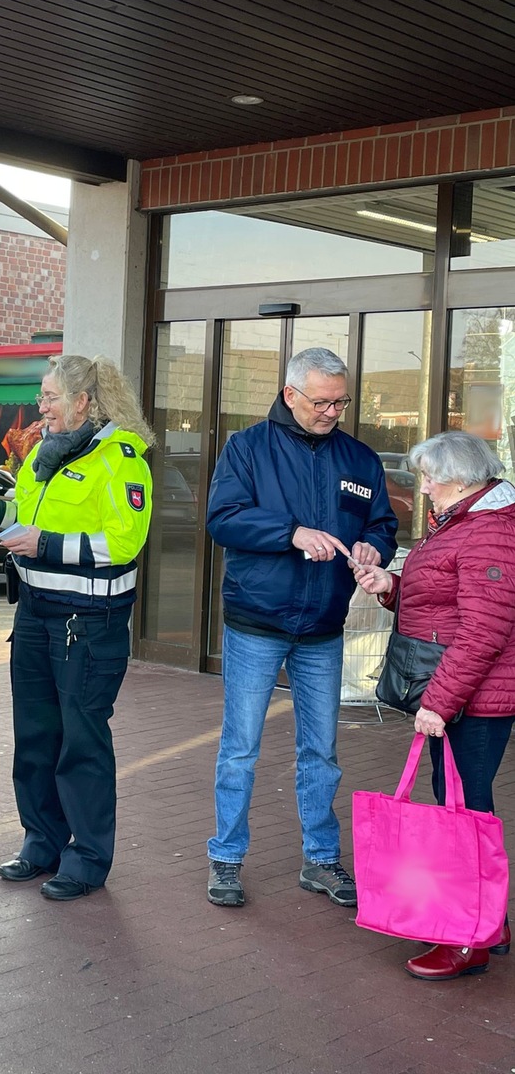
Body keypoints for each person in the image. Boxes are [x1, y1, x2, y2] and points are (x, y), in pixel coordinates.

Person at [206, 347, 397, 910]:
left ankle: (321, 860)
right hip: (256, 622)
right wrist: (290, 533)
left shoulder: (359, 459)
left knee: (322, 751)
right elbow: (223, 518)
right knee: (240, 749)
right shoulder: (246, 448)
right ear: (291, 395)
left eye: (341, 401)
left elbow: (382, 523)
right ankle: (226, 858)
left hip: (322, 626)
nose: (333, 411)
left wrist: (374, 545)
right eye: (322, 401)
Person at [0, 355, 153, 901]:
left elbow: (123, 544)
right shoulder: (44, 455)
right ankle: (41, 842)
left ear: (83, 403)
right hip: (34, 613)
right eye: (41, 397)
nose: (39, 406)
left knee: (82, 742)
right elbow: (27, 516)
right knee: (35, 736)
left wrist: (45, 546)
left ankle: (88, 858)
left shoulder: (122, 460)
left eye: (49, 397)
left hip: (88, 623)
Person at [354, 430, 515, 980]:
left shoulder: (489, 530)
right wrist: (392, 586)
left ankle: (467, 937)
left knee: (465, 812)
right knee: (463, 803)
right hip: (463, 691)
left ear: (464, 478)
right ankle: (486, 921)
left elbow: (483, 632)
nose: (422, 488)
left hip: (475, 699)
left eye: (430, 477)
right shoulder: (464, 521)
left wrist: (439, 704)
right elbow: (445, 599)